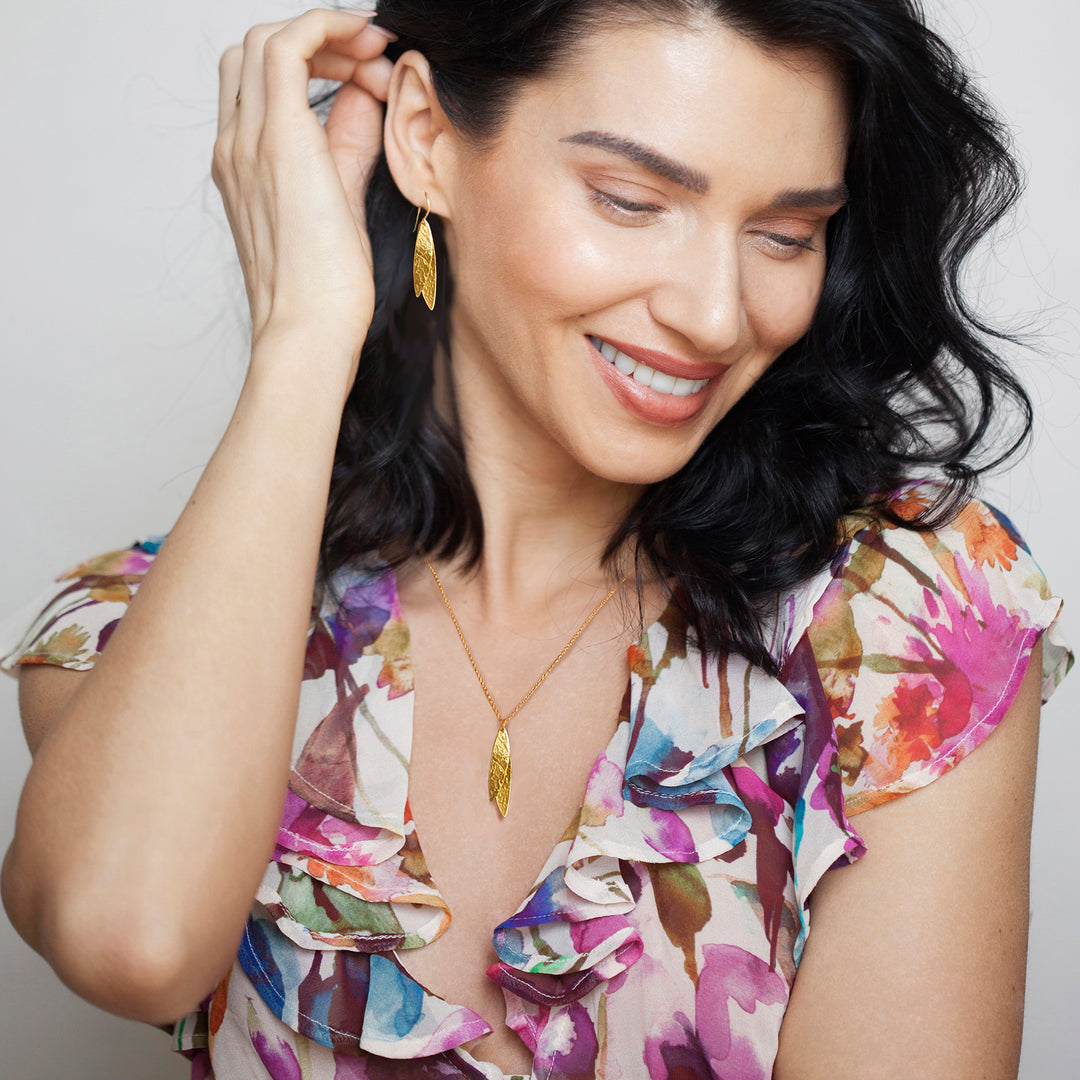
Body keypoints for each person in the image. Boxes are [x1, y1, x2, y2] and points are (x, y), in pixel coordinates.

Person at [0, 1, 1071, 1077]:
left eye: (786, 235)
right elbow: (128, 940)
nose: (715, 314)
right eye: (632, 200)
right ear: (426, 137)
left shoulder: (902, 619)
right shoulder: (138, 628)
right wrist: (306, 334)